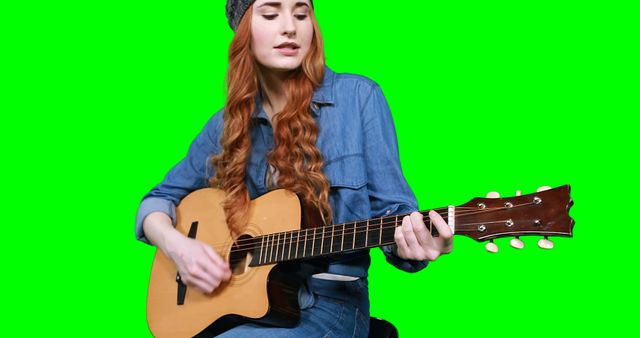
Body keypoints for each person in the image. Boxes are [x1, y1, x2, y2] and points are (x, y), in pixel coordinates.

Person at [136, 1, 453, 336]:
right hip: (250, 310)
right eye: (271, 14)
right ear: (243, 32)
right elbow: (154, 202)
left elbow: (396, 210)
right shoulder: (226, 126)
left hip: (334, 305)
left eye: (301, 14)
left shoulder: (358, 97)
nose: (290, 27)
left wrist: (415, 242)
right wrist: (177, 246)